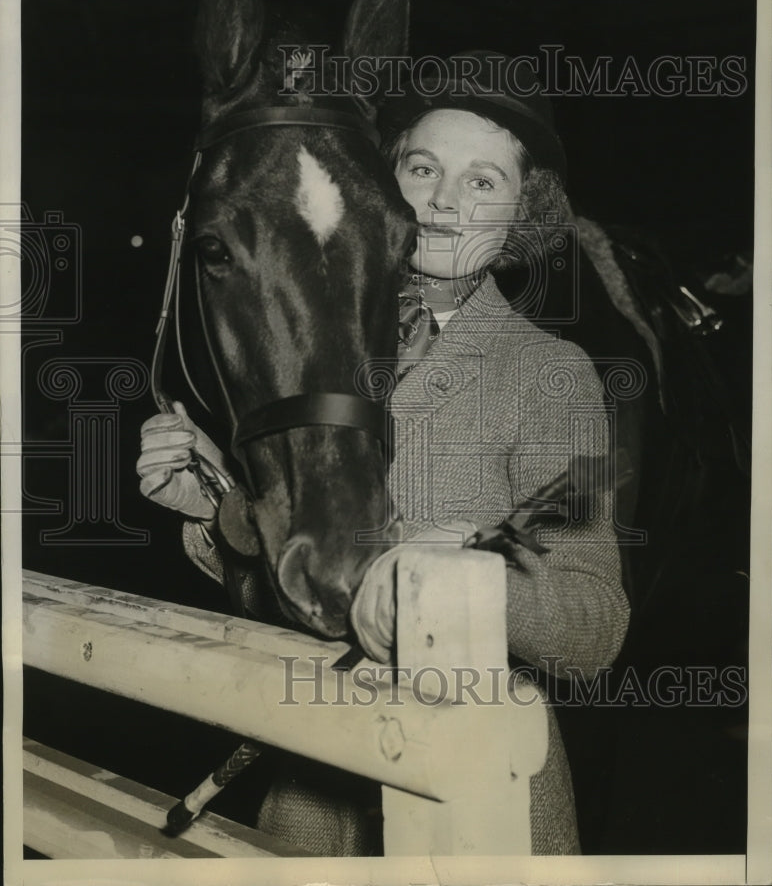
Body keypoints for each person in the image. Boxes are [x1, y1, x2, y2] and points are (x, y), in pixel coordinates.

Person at [137, 51, 630, 855]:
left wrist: (447, 572)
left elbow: (592, 630)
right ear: (383, 180)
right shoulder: (310, 345)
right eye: (423, 166)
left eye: (482, 182)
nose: (444, 200)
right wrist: (213, 510)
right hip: (310, 796)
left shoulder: (548, 375)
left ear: (523, 212)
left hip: (476, 803)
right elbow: (302, 586)